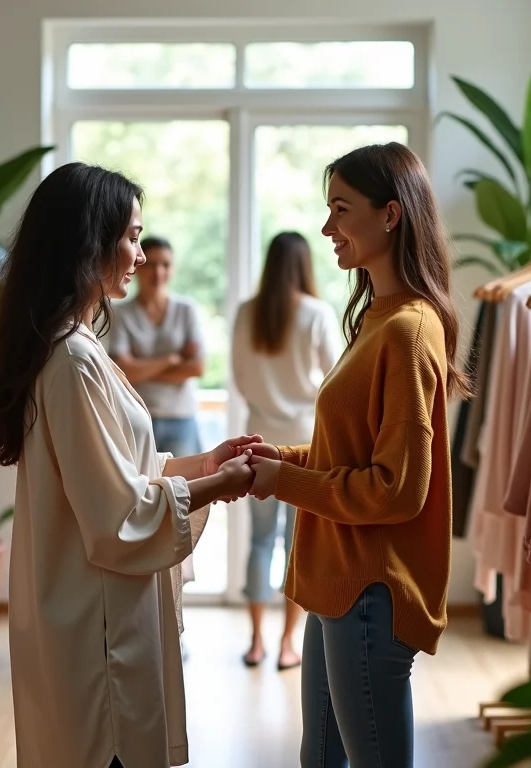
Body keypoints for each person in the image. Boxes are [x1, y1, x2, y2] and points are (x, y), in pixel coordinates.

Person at [0, 162, 260, 768]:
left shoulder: (73, 345)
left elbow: (123, 471)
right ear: (90, 242)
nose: (138, 253)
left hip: (84, 612)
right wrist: (219, 485)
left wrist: (205, 462)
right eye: (130, 237)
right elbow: (117, 515)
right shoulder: (74, 359)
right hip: (93, 626)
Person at [244, 143, 471, 768]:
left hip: (371, 590)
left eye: (341, 210)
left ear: (391, 215)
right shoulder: (377, 317)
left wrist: (283, 479)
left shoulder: (408, 329)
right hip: (340, 586)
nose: (327, 228)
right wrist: (282, 459)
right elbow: (348, 451)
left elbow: (397, 488)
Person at [231, 231, 339, 671]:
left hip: (256, 438)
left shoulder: (245, 313)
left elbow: (238, 376)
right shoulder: (316, 313)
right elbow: (336, 379)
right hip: (305, 443)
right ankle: (289, 642)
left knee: (259, 541)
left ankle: (256, 642)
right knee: (298, 544)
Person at [109, 236, 206, 458]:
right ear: (138, 267)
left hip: (180, 417)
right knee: (143, 487)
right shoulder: (120, 313)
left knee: (186, 487)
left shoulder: (186, 310)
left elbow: (197, 368)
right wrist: (172, 360)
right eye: (151, 264)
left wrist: (139, 368)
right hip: (136, 417)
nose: (158, 272)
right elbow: (122, 372)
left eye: (166, 265)